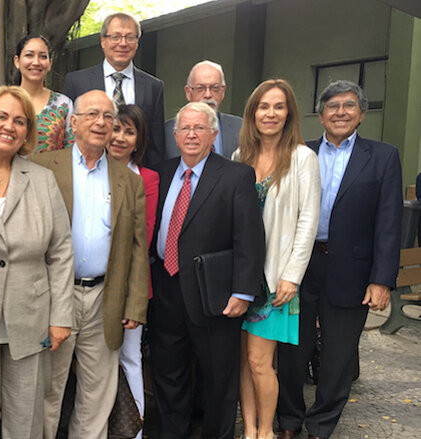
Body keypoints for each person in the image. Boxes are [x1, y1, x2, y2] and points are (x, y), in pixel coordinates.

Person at [276, 80, 402, 439]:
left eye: (349, 106)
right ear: (320, 114)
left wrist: (382, 280)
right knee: (291, 349)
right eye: (332, 106)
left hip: (353, 269)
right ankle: (288, 420)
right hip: (300, 265)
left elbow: (389, 222)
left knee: (338, 355)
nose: (340, 112)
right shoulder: (301, 152)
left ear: (361, 114)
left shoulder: (382, 157)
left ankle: (321, 423)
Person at [0, 86, 75, 439]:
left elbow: (61, 251)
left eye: (19, 121)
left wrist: (61, 316)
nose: (9, 126)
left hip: (31, 317)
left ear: (27, 132)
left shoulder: (42, 179)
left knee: (26, 419)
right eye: (2, 116)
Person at [30, 90, 149, 439]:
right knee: (49, 391)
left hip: (104, 299)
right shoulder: (42, 168)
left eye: (108, 117)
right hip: (55, 297)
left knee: (97, 394)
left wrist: (135, 303)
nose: (101, 122)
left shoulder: (130, 180)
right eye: (92, 114)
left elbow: (138, 248)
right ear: (74, 122)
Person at [147, 101, 264, 439]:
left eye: (200, 128)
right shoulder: (162, 171)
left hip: (214, 296)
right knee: (169, 375)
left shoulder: (235, 175)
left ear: (214, 134)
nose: (192, 134)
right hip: (166, 292)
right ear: (175, 135)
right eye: (185, 128)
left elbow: (249, 237)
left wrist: (243, 291)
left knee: (218, 381)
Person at [233, 79, 321, 439]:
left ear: (289, 113)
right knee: (244, 362)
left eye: (278, 106)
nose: (270, 113)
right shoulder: (240, 159)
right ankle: (250, 430)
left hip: (276, 279)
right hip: (241, 278)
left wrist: (292, 276)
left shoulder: (303, 158)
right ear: (253, 113)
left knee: (260, 362)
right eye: (263, 106)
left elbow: (308, 222)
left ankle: (266, 431)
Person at [105, 104, 159, 439]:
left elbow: (146, 234)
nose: (120, 138)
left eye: (129, 131)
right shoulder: (89, 170)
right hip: (88, 283)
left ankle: (132, 432)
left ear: (139, 140)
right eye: (116, 128)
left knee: (130, 358)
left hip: (130, 286)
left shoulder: (147, 178)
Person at [62, 12, 165, 171]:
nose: (123, 43)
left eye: (130, 37)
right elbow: (68, 136)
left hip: (134, 177)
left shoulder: (153, 86)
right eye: (115, 37)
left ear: (137, 42)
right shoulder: (77, 82)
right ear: (103, 40)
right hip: (84, 171)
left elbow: (156, 145)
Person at [164, 60, 242, 160]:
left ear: (223, 91)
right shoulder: (166, 132)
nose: (208, 95)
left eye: (215, 88)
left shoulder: (240, 127)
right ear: (188, 92)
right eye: (200, 88)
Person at [13, 34, 75, 152]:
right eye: (29, 55)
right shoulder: (4, 101)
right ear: (17, 61)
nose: (36, 62)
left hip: (54, 170)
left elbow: (71, 150)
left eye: (42, 57)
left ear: (50, 63)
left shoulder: (63, 104)